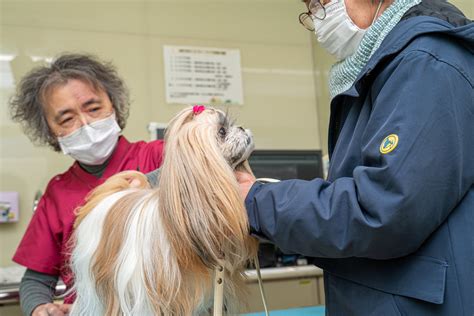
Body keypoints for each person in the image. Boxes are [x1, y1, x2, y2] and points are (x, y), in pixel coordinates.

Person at [236, 0, 473, 314]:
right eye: (312, 11)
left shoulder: (427, 62)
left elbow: (383, 208)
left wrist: (256, 201)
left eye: (321, 4)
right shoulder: (389, 68)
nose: (319, 19)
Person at [9, 54, 165, 316]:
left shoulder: (156, 156)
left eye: (93, 108)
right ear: (50, 132)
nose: (85, 124)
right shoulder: (57, 193)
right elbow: (36, 280)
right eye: (66, 119)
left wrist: (147, 183)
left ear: (114, 105)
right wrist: (39, 308)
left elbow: (207, 170)